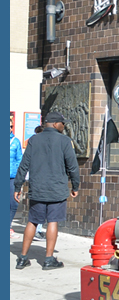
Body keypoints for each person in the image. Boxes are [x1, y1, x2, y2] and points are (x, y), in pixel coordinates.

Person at [13, 111, 80, 270]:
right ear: (56, 124)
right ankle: (49, 259)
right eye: (63, 124)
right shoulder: (64, 141)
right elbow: (73, 166)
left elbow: (24, 165)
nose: (64, 126)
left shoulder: (33, 140)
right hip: (56, 189)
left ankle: (22, 258)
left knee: (33, 221)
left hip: (38, 188)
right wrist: (75, 186)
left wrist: (18, 186)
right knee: (52, 221)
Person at [10, 122, 22, 240]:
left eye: (10, 126)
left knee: (13, 203)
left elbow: (19, 160)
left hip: (12, 176)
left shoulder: (15, 141)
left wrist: (20, 177)